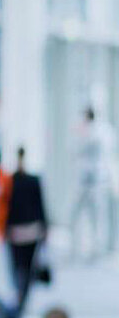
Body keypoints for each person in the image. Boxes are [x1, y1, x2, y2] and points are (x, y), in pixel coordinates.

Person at [71, 107, 118, 261]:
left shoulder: (99, 132)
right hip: (85, 182)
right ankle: (80, 249)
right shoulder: (89, 131)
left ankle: (96, 250)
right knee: (81, 216)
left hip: (97, 182)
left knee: (97, 218)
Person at [5, 146, 48, 313]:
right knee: (27, 266)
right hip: (30, 230)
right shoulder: (31, 180)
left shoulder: (13, 181)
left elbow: (6, 207)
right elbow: (40, 206)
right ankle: (22, 295)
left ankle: (20, 294)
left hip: (18, 231)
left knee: (19, 265)